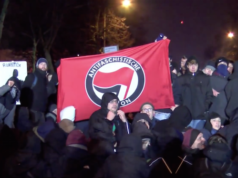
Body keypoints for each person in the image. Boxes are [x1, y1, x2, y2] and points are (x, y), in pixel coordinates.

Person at [177, 56, 213, 129]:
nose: (193, 67)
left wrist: (204, 108)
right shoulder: (181, 79)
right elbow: (178, 95)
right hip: (186, 116)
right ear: (187, 66)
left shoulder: (205, 78)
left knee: (199, 137)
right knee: (187, 138)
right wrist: (181, 109)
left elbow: (209, 95)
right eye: (191, 65)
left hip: (200, 116)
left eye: (195, 65)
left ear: (198, 65)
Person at [21, 58, 56, 127]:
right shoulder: (32, 76)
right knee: (32, 133)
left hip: (42, 111)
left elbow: (47, 94)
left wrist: (50, 82)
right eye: (41, 64)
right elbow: (24, 92)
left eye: (45, 64)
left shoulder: (45, 79)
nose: (43, 65)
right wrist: (25, 109)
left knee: (39, 133)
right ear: (37, 66)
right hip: (33, 111)